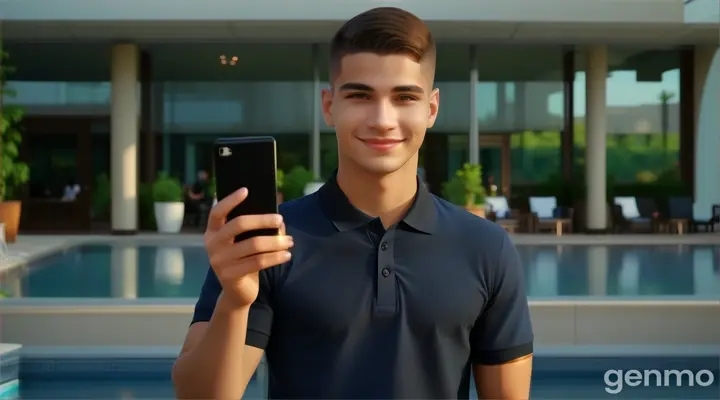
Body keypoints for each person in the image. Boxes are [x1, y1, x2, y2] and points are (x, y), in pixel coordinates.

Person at [172, 7, 533, 399]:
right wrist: (234, 302)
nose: (382, 119)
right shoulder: (270, 242)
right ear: (329, 106)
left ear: (431, 109)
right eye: (360, 95)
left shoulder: (485, 248)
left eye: (404, 97)